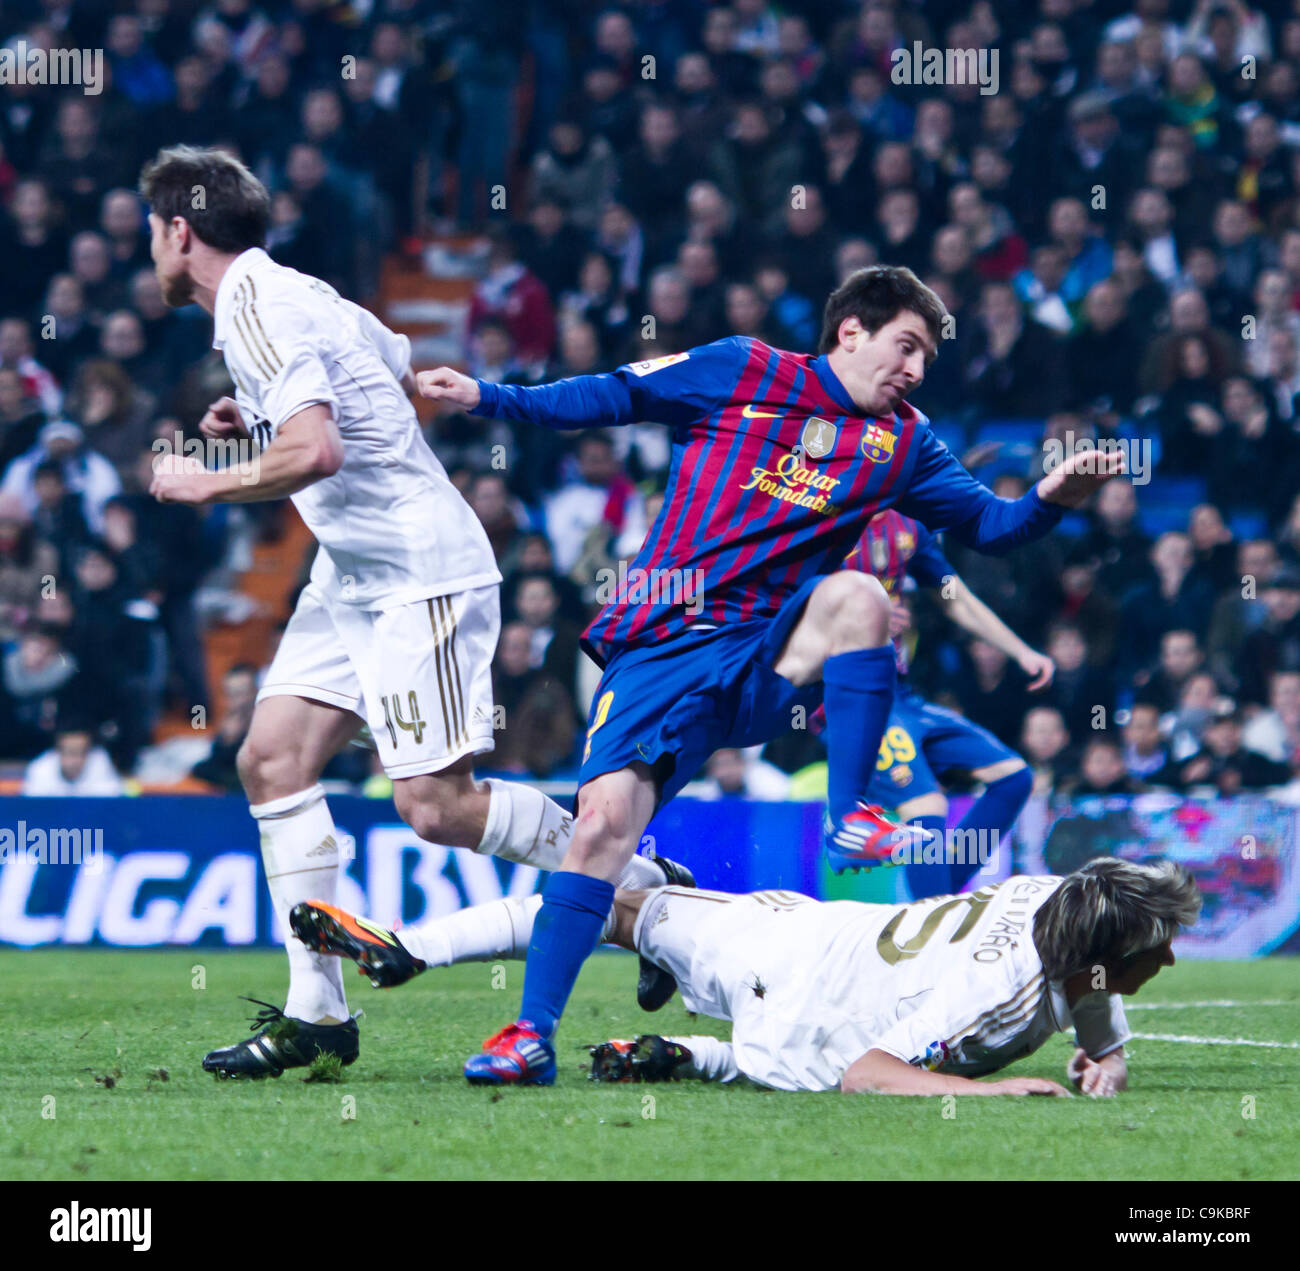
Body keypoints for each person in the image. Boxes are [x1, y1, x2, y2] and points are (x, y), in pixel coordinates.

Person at [418, 264, 1123, 1084]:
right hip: (662, 643)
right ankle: (530, 1035)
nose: (917, 369)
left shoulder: (905, 441)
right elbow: (611, 395)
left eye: (928, 355)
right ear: (850, 331)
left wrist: (1052, 496)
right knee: (601, 829)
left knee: (861, 595)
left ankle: (849, 812)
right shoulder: (743, 368)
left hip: (765, 651)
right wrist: (486, 396)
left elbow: (992, 528)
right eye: (908, 345)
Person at [138, 145, 675, 1080]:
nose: (151, 247)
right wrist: (256, 413)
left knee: (434, 806)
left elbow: (318, 451)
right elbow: (390, 369)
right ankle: (317, 1015)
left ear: (180, 231)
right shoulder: (295, 293)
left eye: (153, 231)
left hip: (418, 572)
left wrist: (206, 479)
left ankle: (642, 883)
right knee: (269, 758)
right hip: (351, 573)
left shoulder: (257, 308)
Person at [291, 856, 1200, 1097]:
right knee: (620, 902)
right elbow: (869, 1076)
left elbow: (1087, 984)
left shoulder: (1060, 896)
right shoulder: (1000, 1001)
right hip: (796, 1001)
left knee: (612, 900)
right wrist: (1018, 1090)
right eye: (1156, 946)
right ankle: (697, 1048)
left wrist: (1107, 1054)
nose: (1166, 959)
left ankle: (412, 947)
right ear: (1097, 955)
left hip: (793, 928)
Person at [831, 508, 1051, 899]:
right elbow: (792, 606)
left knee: (1014, 778)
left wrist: (1020, 652)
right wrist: (864, 619)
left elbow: (956, 599)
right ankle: (935, 926)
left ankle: (937, 904)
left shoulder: (907, 529)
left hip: (902, 697)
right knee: (927, 805)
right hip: (849, 696)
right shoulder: (822, 523)